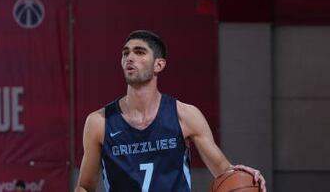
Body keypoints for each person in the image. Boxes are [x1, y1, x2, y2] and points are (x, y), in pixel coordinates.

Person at [75, 30, 266, 192]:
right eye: (125, 53)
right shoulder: (99, 122)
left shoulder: (186, 116)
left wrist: (245, 178)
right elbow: (85, 186)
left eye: (139, 52)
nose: (129, 57)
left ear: (159, 64)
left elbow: (223, 171)